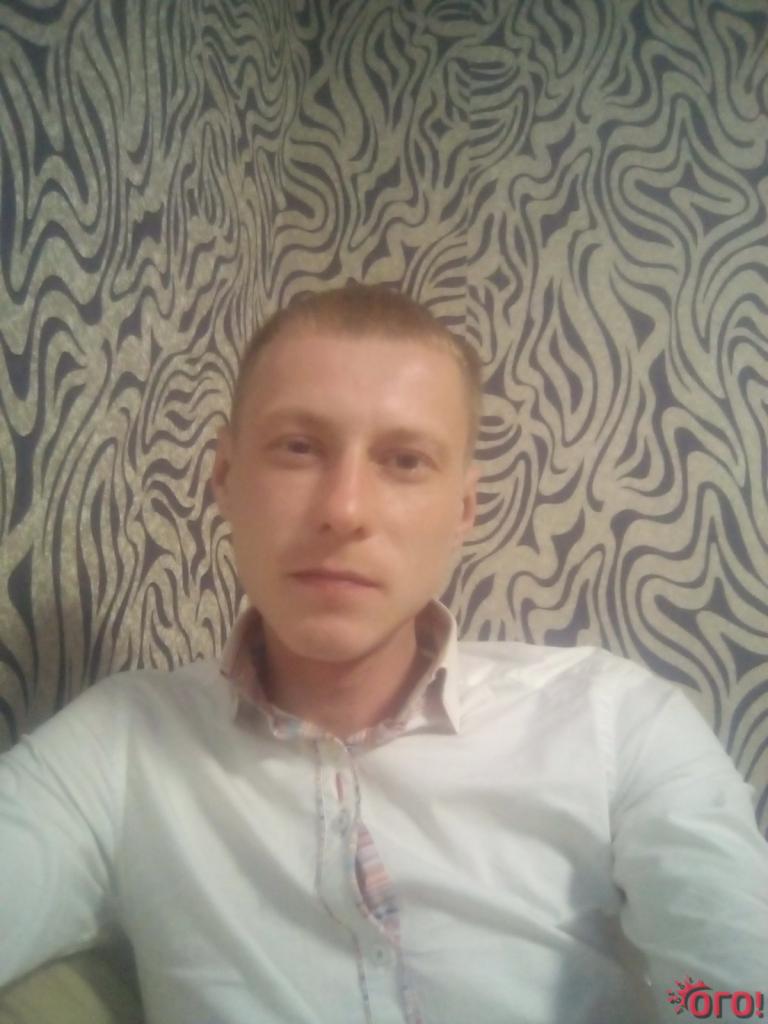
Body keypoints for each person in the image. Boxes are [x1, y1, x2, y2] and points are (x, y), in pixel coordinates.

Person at [0, 284, 766, 1024]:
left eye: (404, 460)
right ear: (225, 477)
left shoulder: (615, 719)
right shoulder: (120, 746)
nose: (344, 510)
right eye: (298, 447)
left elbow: (741, 993)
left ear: (463, 507)